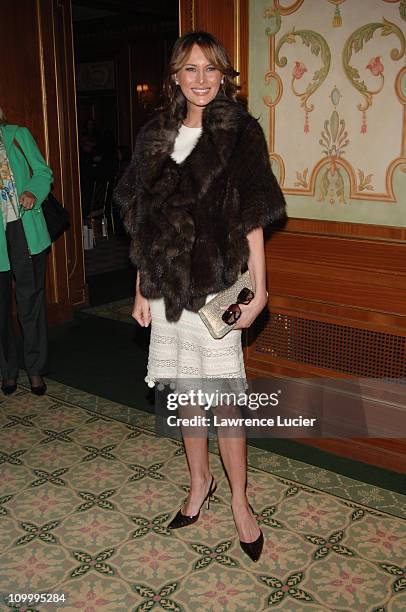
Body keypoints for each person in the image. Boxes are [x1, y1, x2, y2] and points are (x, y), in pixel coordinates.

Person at [115, 31, 286, 562]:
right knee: (188, 396)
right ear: (174, 76)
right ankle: (199, 483)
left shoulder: (239, 132)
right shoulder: (156, 136)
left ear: (223, 74)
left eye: (211, 69)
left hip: (215, 285)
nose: (201, 79)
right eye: (190, 69)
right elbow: (145, 220)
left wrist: (259, 285)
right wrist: (142, 285)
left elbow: (252, 212)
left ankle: (240, 500)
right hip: (168, 289)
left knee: (226, 403)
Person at [0, 107, 53, 396]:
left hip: (24, 231)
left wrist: (33, 190)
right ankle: (8, 370)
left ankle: (34, 369)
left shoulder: (17, 135)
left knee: (29, 303)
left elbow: (44, 172)